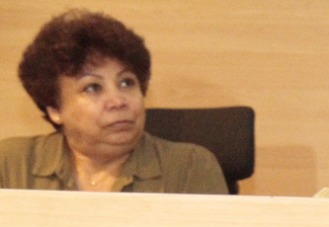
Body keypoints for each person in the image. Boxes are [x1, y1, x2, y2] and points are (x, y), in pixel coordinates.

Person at [0, 10, 227, 193]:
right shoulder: (11, 164)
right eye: (93, 87)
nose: (118, 101)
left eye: (127, 83)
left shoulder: (189, 167)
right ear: (55, 109)